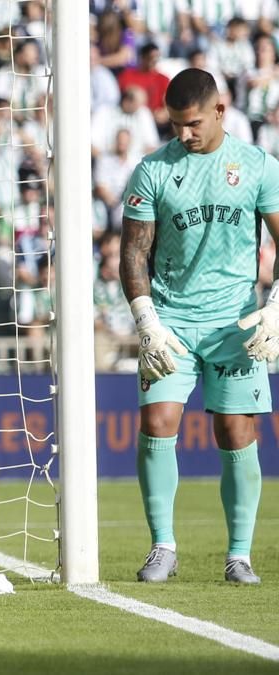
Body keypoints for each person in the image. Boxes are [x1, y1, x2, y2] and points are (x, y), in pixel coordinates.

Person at [119, 68, 279, 586]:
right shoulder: (153, 171)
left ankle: (239, 555)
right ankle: (163, 546)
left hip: (235, 322)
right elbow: (133, 254)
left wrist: (276, 305)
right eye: (174, 125)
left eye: (191, 124)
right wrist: (146, 321)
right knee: (157, 421)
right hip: (172, 322)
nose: (182, 134)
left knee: (235, 430)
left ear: (218, 111)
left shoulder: (258, 167)